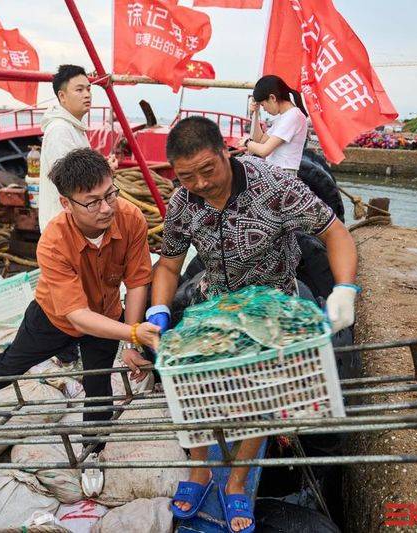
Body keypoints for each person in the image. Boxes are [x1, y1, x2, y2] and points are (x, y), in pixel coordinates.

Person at [145, 117, 359, 533]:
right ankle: (200, 470)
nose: (201, 184)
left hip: (272, 308)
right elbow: (170, 265)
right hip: (214, 306)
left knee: (259, 398)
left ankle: (238, 481)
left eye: (208, 170)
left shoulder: (275, 187)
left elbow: (334, 233)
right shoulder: (182, 203)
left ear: (227, 151)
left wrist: (344, 290)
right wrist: (158, 311)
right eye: (187, 176)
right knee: (192, 385)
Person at [0, 148, 158, 496]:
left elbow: (137, 281)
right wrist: (134, 331)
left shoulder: (131, 218)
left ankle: (92, 451)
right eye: (92, 202)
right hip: (53, 317)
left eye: (110, 194)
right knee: (11, 363)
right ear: (66, 204)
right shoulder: (52, 241)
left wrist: (131, 342)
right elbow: (76, 314)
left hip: (107, 317)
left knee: (97, 386)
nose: (106, 208)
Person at [38, 64, 117, 231]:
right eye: (79, 90)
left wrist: (103, 168)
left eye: (89, 89)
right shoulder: (60, 130)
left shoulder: (73, 127)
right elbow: (72, 182)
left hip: (74, 223)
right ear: (62, 96)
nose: (87, 95)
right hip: (63, 228)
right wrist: (106, 170)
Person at [240, 74, 309, 177]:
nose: (264, 109)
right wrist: (255, 113)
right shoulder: (283, 117)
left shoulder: (293, 116)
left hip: (284, 174)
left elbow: (264, 150)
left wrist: (246, 142)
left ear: (272, 98)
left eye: (263, 105)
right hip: (276, 172)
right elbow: (259, 140)